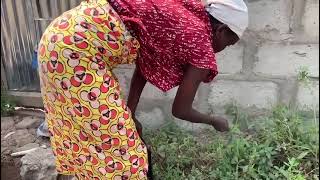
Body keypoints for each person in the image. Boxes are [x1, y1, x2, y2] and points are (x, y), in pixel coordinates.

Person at [37, 0, 248, 179]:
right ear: (220, 30)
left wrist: (130, 113)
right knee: (126, 154)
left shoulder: (185, 18)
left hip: (60, 37)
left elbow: (144, 63)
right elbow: (181, 110)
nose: (223, 50)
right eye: (229, 44)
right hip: (76, 53)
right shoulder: (201, 45)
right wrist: (213, 121)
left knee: (99, 141)